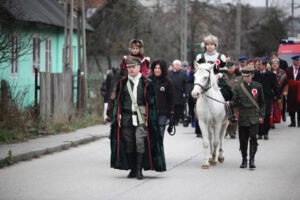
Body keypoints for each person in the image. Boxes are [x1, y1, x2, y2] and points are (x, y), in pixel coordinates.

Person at [110, 56, 166, 180]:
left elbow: (152, 104)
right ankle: (133, 168)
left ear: (139, 67)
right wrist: (116, 118)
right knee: (129, 144)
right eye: (129, 67)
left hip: (141, 118)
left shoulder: (147, 83)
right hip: (125, 118)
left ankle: (139, 169)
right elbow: (117, 102)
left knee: (140, 142)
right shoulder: (122, 83)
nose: (131, 69)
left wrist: (150, 119)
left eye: (133, 67)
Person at [226, 65, 265, 169]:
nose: (246, 78)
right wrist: (229, 103)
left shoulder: (258, 86)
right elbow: (235, 101)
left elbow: (262, 103)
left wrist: (261, 116)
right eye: (244, 76)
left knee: (253, 139)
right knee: (243, 140)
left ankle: (252, 160)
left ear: (252, 75)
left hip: (254, 117)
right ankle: (244, 160)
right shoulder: (239, 88)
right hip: (243, 117)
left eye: (248, 76)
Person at [195, 34, 234, 121]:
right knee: (192, 92)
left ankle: (230, 113)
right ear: (205, 45)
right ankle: (190, 114)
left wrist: (219, 75)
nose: (210, 46)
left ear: (215, 45)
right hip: (204, 80)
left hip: (217, 79)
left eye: (212, 44)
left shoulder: (221, 57)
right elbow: (198, 69)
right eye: (208, 44)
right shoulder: (200, 57)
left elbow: (224, 69)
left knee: (228, 91)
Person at [253, 58, 281, 140]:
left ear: (265, 66)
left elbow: (275, 86)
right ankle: (260, 133)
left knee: (267, 115)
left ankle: (266, 133)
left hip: (267, 98)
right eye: (258, 64)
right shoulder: (255, 74)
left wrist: (278, 96)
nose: (258, 66)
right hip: (257, 98)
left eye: (260, 65)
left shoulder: (271, 75)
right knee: (258, 115)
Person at [149, 59, 174, 140]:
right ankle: (152, 152)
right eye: (155, 68)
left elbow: (171, 98)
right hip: (150, 112)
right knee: (151, 136)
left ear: (163, 70)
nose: (157, 70)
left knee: (160, 136)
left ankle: (159, 152)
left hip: (162, 113)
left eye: (159, 68)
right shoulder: (148, 81)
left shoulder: (167, 82)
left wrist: (172, 112)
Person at [223, 61, 243, 139]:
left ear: (235, 67)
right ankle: (225, 131)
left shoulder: (239, 76)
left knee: (234, 116)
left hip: (235, 99)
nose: (230, 69)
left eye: (231, 68)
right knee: (225, 116)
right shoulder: (223, 76)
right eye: (228, 68)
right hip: (225, 99)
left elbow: (242, 88)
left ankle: (233, 132)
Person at [168, 59, 187, 125]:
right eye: (176, 65)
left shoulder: (183, 73)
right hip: (171, 93)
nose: (177, 66)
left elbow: (185, 83)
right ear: (173, 66)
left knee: (179, 108)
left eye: (179, 65)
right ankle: (172, 120)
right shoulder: (169, 73)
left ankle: (177, 120)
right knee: (172, 107)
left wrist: (185, 92)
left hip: (180, 93)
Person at [283, 55, 300, 127]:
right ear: (293, 61)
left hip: (299, 90)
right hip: (291, 90)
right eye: (296, 60)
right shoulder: (288, 69)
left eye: (299, 60)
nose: (298, 62)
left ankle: (299, 122)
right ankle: (293, 122)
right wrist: (285, 90)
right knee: (291, 106)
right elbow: (285, 80)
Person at [270, 58, 286, 125]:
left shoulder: (282, 72)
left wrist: (285, 91)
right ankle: (272, 120)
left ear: (278, 64)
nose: (275, 65)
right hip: (271, 92)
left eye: (276, 63)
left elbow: (286, 83)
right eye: (273, 63)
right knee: (271, 107)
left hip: (280, 91)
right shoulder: (269, 72)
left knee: (278, 106)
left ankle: (277, 119)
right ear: (271, 64)